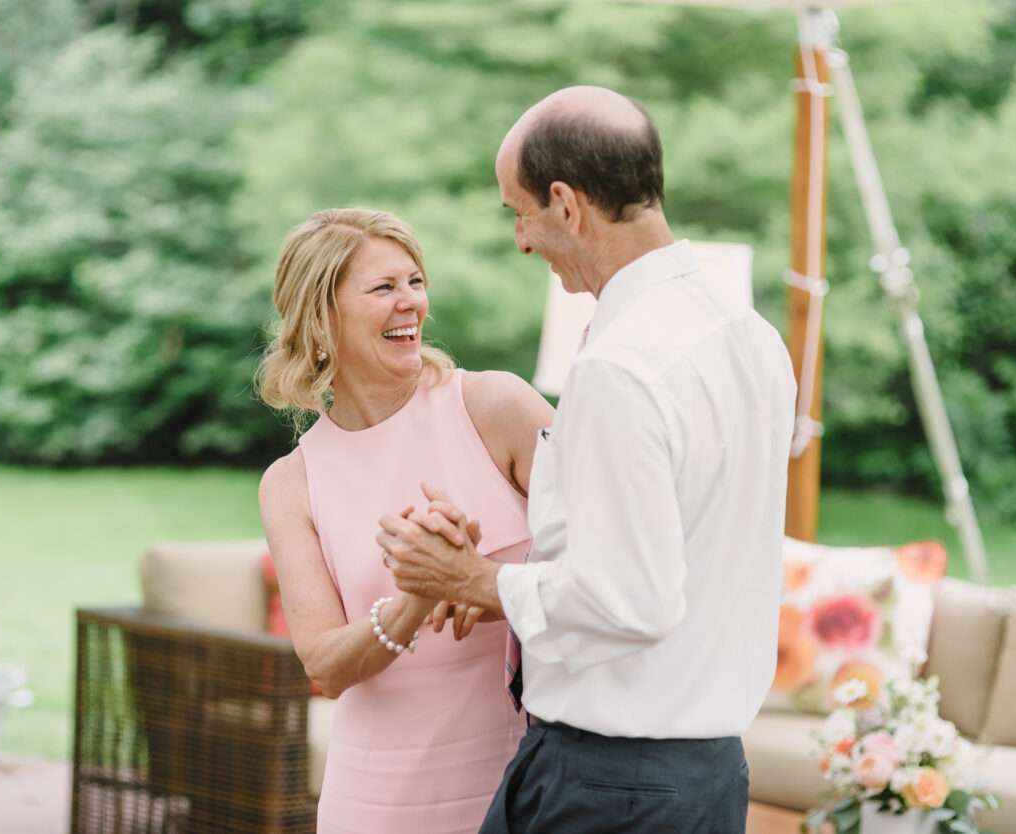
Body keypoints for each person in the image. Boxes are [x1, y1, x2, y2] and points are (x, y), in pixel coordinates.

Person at [378, 86, 798, 833]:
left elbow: (629, 598)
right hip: (706, 779)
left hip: (612, 788)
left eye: (519, 211)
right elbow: (683, 548)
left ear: (567, 204)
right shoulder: (751, 336)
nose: (520, 240)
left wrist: (473, 579)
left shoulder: (622, 365)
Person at [256, 207, 554, 834]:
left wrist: (478, 578)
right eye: (383, 288)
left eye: (415, 281)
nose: (411, 303)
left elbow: (610, 553)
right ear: (321, 317)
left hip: (519, 778)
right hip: (374, 798)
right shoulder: (291, 483)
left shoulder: (497, 406)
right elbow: (325, 665)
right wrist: (416, 596)